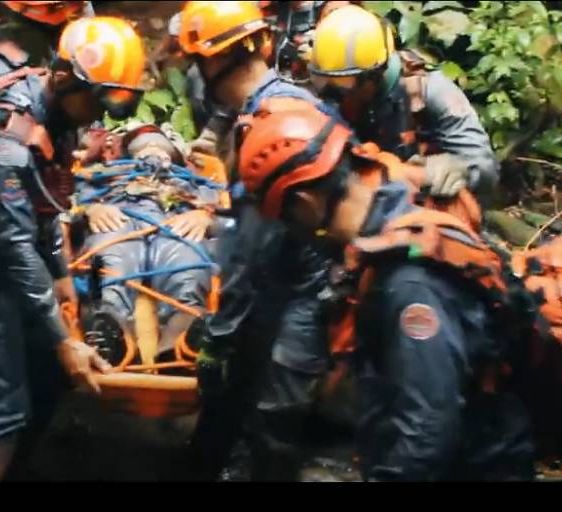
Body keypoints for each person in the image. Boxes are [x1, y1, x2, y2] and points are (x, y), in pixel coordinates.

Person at [235, 102, 536, 481]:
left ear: (307, 204)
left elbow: (427, 431)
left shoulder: (409, 285)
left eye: (285, 216)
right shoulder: (394, 213)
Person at [0, 5, 146, 481]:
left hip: (9, 257)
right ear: (66, 79)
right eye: (96, 100)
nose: (97, 116)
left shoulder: (58, 120)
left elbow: (47, 204)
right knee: (4, 406)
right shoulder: (7, 135)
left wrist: (64, 277)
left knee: (44, 377)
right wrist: (65, 338)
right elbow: (14, 241)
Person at [175, 0, 344, 481]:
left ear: (214, 59)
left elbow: (252, 247)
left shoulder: (271, 127)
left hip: (301, 288)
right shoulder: (280, 105)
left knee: (272, 417)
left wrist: (219, 336)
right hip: (282, 281)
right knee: (233, 405)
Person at [309, 4, 499, 203]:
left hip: (425, 206)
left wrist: (460, 168)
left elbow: (485, 166)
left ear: (375, 74)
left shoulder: (430, 91)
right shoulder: (335, 86)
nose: (334, 90)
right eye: (327, 80)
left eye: (343, 83)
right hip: (366, 197)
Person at [70, 122, 228, 362]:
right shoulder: (100, 174)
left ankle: (181, 338)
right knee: (109, 265)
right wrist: (90, 210)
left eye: (160, 145)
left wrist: (206, 218)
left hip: (177, 220)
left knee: (189, 264)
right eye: (144, 145)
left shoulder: (199, 181)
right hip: (117, 216)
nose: (152, 148)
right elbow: (64, 208)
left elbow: (232, 220)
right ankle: (112, 333)